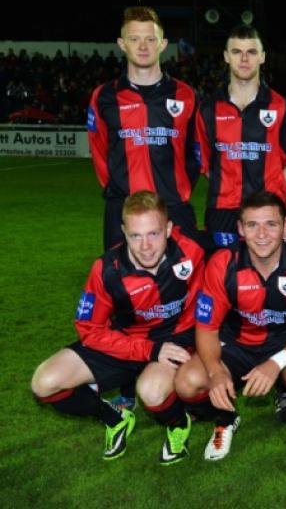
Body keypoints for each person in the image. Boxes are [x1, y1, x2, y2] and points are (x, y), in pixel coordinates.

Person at [31, 191, 205, 464]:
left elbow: (252, 239)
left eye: (154, 234)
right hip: (126, 343)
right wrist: (149, 349)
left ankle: (177, 423)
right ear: (123, 231)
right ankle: (115, 417)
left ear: (169, 229)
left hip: (173, 340)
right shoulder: (106, 270)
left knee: (151, 391)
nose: (145, 245)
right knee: (44, 383)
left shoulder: (192, 249)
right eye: (136, 235)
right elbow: (90, 330)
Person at [174, 191, 286, 463]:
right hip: (236, 344)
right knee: (188, 382)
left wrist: (274, 364)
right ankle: (226, 418)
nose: (262, 234)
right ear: (240, 229)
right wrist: (215, 372)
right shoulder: (223, 263)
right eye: (252, 225)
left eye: (271, 224)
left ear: (285, 226)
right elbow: (207, 329)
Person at [88, 6, 200, 250]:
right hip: (122, 208)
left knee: (183, 285)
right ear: (122, 43)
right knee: (122, 284)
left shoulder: (187, 95)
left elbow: (196, 152)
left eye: (150, 39)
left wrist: (176, 188)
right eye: (134, 39)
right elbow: (98, 148)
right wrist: (118, 190)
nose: (143, 46)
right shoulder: (104, 96)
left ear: (162, 44)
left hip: (174, 208)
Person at [196, 24, 286, 251]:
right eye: (237, 52)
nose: (244, 59)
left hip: (268, 210)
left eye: (252, 52)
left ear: (262, 57)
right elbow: (205, 165)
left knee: (269, 276)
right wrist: (230, 185)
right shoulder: (208, 108)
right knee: (221, 275)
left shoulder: (282, 107)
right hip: (222, 210)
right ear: (226, 57)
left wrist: (267, 193)